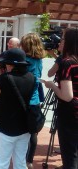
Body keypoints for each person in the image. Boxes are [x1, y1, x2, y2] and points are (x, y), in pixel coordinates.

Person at [0, 48, 35, 169]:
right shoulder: (31, 77)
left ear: (10, 64)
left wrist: (0, 75)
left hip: (6, 127)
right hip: (24, 127)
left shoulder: (5, 78)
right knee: (20, 162)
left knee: (2, 163)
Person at [43, 28, 78, 169]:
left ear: (69, 42)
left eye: (62, 38)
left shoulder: (67, 63)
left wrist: (52, 85)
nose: (59, 41)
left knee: (69, 154)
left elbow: (67, 96)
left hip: (70, 113)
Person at [20, 32, 46, 169]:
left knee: (28, 132)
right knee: (32, 132)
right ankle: (28, 160)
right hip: (34, 101)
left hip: (28, 101)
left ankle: (27, 160)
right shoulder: (38, 60)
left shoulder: (29, 61)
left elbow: (34, 81)